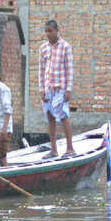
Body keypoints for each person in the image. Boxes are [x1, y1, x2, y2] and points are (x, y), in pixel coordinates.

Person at [39, 19, 75, 159]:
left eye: (50, 31)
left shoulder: (65, 46)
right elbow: (41, 70)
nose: (48, 34)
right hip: (48, 88)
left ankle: (70, 148)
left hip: (60, 87)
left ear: (57, 30)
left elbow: (69, 69)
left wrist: (68, 89)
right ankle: (53, 150)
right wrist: (41, 89)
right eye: (46, 31)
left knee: (64, 115)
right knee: (50, 117)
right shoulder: (43, 48)